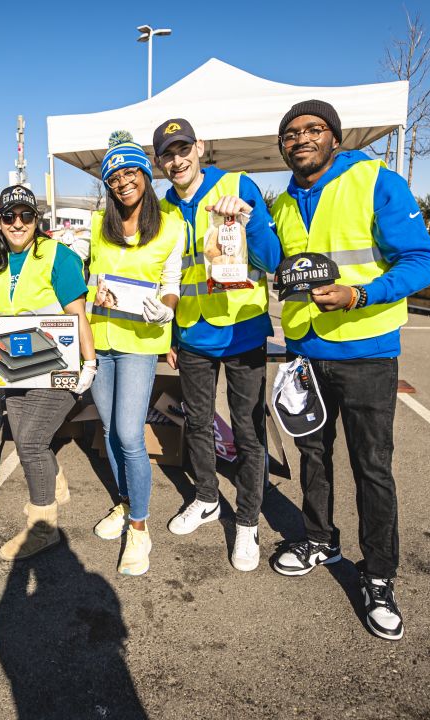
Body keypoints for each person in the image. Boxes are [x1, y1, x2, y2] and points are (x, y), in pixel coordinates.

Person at [266, 100, 430, 641]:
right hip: (305, 352)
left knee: (372, 466)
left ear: (334, 138)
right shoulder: (283, 204)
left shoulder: (376, 183)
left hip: (367, 352)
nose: (301, 138)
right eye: (291, 133)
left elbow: (422, 261)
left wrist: (360, 293)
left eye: (313, 129)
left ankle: (380, 575)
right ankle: (321, 539)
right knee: (313, 457)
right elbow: (277, 266)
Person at [152, 118, 283, 572]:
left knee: (248, 431)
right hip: (192, 336)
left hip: (242, 329)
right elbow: (164, 277)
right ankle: (207, 498)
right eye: (167, 154)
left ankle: (247, 520)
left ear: (200, 147)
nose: (177, 160)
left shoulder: (236, 185)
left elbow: (272, 259)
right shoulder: (162, 208)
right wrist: (169, 336)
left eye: (183, 148)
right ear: (159, 161)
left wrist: (250, 221)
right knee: (199, 424)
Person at [0, 185, 96, 561]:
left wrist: (90, 362)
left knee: (32, 442)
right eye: (9, 217)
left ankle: (43, 527)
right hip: (15, 365)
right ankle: (52, 483)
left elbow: (77, 314)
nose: (17, 223)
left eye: (25, 216)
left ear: (36, 220)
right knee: (21, 436)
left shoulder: (59, 255)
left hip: (57, 363)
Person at [85, 131, 184, 576]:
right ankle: (124, 505)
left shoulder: (170, 222)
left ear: (144, 175)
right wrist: (95, 291)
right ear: (107, 185)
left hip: (141, 343)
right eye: (115, 177)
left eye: (130, 172)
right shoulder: (95, 225)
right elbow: (89, 278)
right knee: (109, 430)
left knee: (129, 434)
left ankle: (140, 529)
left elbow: (172, 284)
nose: (123, 182)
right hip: (101, 338)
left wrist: (166, 311)